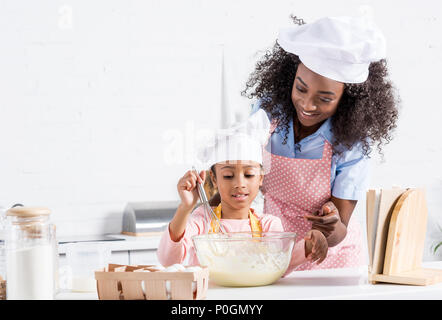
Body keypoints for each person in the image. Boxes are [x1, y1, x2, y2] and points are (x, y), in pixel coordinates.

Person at [236, 15, 400, 270]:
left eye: (324, 99)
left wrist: (331, 228)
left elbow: (340, 227)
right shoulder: (267, 114)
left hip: (332, 261)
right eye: (300, 89)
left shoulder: (350, 143)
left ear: (346, 100)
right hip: (276, 251)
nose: (307, 105)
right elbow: (238, 166)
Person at [157, 110, 328, 274]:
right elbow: (169, 261)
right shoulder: (203, 220)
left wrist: (308, 246)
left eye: (248, 174)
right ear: (214, 179)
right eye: (228, 175)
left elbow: (278, 264)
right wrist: (185, 208)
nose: (239, 183)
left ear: (261, 178)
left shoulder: (268, 226)